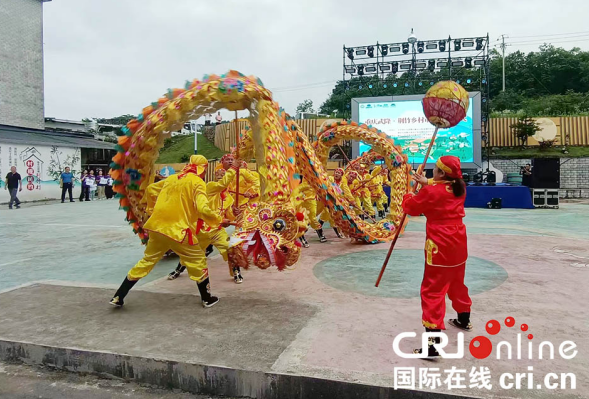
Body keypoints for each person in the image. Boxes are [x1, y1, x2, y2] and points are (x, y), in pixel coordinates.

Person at [110, 155, 225, 308]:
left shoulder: (172, 178)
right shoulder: (197, 182)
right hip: (179, 231)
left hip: (157, 228)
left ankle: (118, 296)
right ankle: (206, 298)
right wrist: (217, 219)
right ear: (203, 168)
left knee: (147, 261)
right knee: (198, 261)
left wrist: (151, 209)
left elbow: (151, 189)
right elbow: (203, 208)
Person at [402, 155, 472, 358]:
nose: (433, 171)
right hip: (458, 242)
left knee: (432, 291)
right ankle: (464, 319)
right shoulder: (460, 187)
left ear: (442, 173)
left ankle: (432, 346)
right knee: (457, 282)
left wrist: (410, 193)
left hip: (439, 245)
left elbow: (410, 208)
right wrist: (427, 183)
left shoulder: (431, 191)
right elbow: (442, 187)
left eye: (436, 169)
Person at [168, 161, 243, 283]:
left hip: (217, 231)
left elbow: (229, 217)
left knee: (230, 249)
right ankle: (178, 270)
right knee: (191, 253)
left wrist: (234, 213)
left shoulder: (228, 198)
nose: (220, 178)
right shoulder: (210, 187)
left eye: (223, 176)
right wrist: (234, 167)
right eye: (218, 175)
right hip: (201, 230)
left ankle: (236, 272)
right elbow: (221, 185)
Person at [294, 175, 326, 247]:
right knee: (301, 219)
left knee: (311, 218)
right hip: (301, 201)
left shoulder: (317, 176)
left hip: (312, 200)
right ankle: (302, 237)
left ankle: (318, 231)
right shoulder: (303, 176)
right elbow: (297, 188)